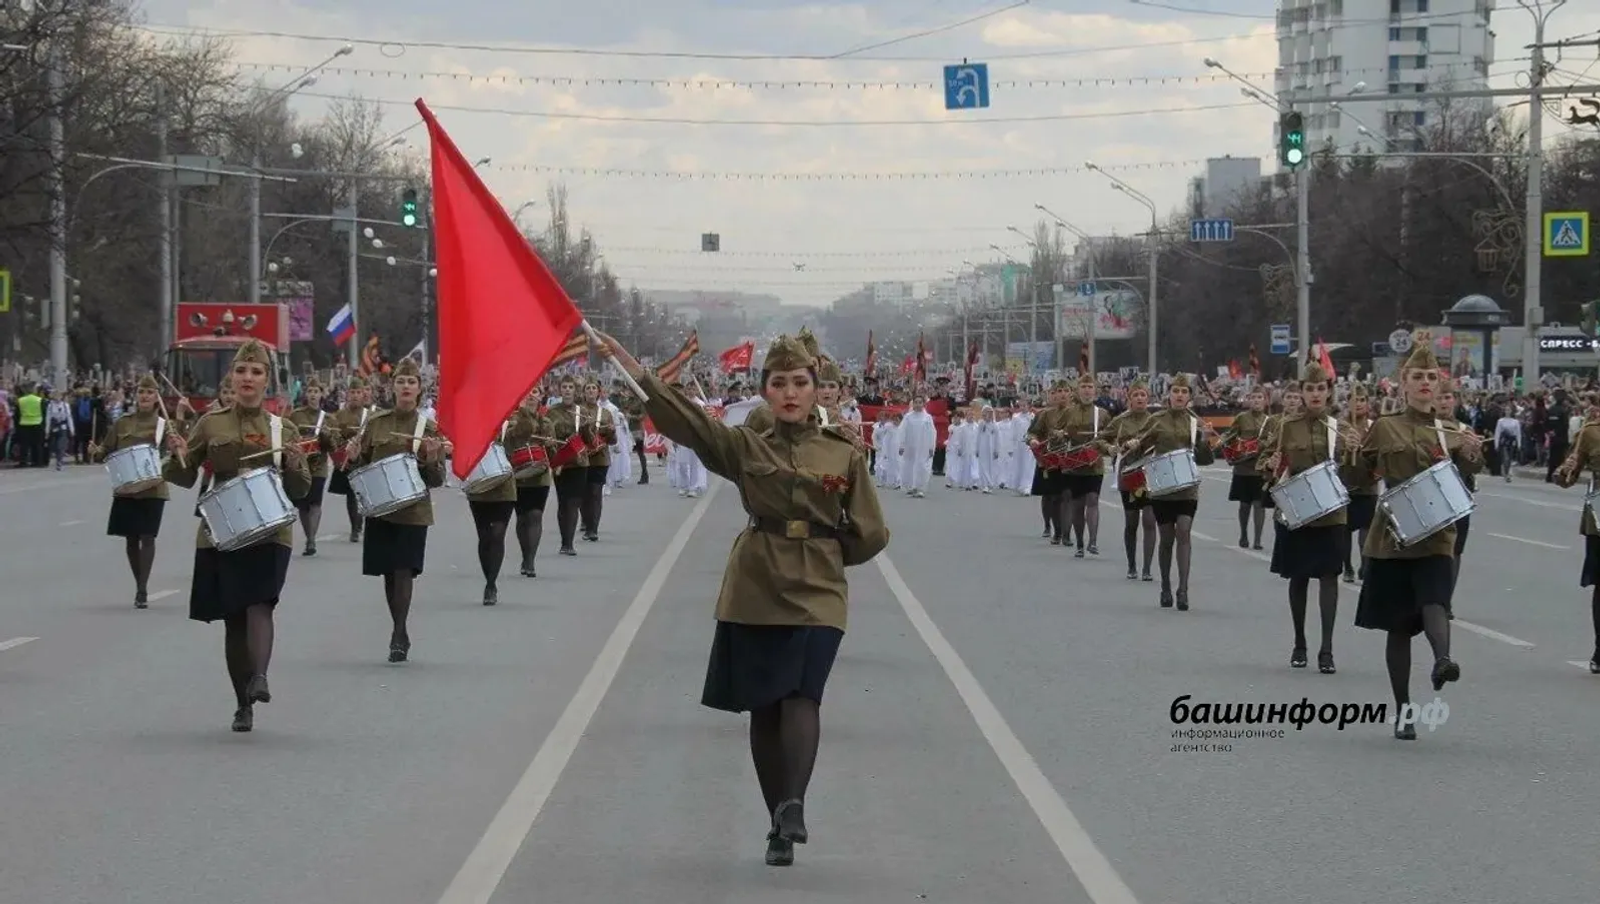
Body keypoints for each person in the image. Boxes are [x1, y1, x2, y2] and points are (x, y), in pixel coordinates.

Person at [594, 329, 889, 868]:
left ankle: (794, 801)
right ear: (766, 393)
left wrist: (826, 552)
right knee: (766, 705)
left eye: (801, 382)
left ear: (815, 387)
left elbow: (871, 530)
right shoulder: (745, 444)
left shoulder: (844, 450)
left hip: (820, 587)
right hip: (757, 582)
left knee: (803, 693)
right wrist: (633, 370)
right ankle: (776, 820)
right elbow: (689, 423)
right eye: (780, 384)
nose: (792, 392)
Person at [163, 340, 312, 732]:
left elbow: (299, 489)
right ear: (232, 377)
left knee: (261, 603)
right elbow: (184, 475)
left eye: (256, 372)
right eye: (242, 371)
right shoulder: (211, 423)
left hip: (270, 531)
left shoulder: (284, 428)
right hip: (222, 532)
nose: (248, 378)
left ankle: (260, 676)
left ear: (267, 380)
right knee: (234, 620)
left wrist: (297, 466)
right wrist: (174, 452)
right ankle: (241, 703)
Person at [1351, 331, 1482, 740]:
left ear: (1439, 384)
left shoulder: (1452, 432)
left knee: (1435, 599)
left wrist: (1473, 455)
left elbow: (1466, 479)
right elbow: (1356, 479)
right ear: (1404, 383)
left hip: (1437, 534)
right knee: (1399, 626)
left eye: (1431, 376)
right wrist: (1353, 452)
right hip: (1391, 536)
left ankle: (1443, 659)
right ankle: (1403, 709)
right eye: (1417, 376)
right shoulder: (1384, 428)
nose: (1425, 382)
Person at [345, 357, 449, 662]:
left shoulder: (428, 427)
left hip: (414, 510)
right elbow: (359, 467)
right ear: (392, 387)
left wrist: (430, 459)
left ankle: (399, 632)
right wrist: (351, 458)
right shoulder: (376, 424)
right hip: (381, 508)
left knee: (404, 570)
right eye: (401, 381)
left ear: (420, 389)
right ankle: (397, 624)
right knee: (389, 573)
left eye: (411, 382)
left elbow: (438, 478)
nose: (405, 387)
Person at [1262, 363, 1346, 673]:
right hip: (1295, 510)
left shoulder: (1340, 428)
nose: (1315, 394)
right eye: (1309, 389)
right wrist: (1269, 464)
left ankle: (1327, 648)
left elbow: (1358, 471)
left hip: (1332, 513)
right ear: (1302, 392)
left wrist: (1352, 457)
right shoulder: (1285, 426)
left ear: (1328, 391)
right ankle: (1299, 642)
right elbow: (1266, 459)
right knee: (1298, 578)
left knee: (1329, 576)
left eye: (1320, 388)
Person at [1122, 374, 1218, 609]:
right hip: (1162, 488)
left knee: (1183, 532)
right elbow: (1137, 453)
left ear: (1189, 397)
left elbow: (1205, 460)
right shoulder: (1156, 420)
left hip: (1187, 488)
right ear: (1169, 395)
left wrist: (1205, 441)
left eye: (1184, 392)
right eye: (1176, 391)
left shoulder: (1196, 422)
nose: (1179, 395)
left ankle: (1183, 589)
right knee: (1166, 538)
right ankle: (1165, 585)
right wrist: (1133, 446)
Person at [90, 374, 173, 607]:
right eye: (141, 392)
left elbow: (171, 456)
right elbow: (106, 449)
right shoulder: (122, 423)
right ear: (136, 396)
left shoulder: (164, 425)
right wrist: (96, 452)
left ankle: (142, 589)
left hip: (152, 488)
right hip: (126, 488)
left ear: (157, 398)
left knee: (147, 536)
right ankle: (139, 582)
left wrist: (170, 457)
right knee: (130, 539)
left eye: (149, 392)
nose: (144, 396)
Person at [1556, 393, 1600, 672]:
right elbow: (1567, 476)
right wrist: (1565, 471)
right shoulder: (1591, 433)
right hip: (1598, 517)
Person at [1097, 378, 1156, 580]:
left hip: (1150, 473)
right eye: (1136, 395)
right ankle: (1132, 564)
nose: (1140, 398)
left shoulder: (1156, 420)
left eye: (1143, 395)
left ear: (1148, 398)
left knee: (1150, 519)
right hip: (1129, 474)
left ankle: (1147, 568)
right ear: (1129, 399)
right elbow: (1100, 440)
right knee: (1132, 521)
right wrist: (1111, 449)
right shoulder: (1120, 420)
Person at [464, 416, 518, 605]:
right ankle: (488, 575)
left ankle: (491, 584)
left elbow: (523, 435)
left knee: (497, 534)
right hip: (479, 489)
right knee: (485, 536)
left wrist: (525, 411)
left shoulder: (509, 426)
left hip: (504, 489)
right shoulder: (470, 425)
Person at [505, 388, 555, 578]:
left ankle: (530, 560)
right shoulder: (512, 421)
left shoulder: (547, 422)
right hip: (518, 475)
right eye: (527, 392)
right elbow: (507, 447)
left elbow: (553, 455)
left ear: (541, 396)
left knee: (535, 515)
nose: (531, 396)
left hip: (540, 476)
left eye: (535, 392)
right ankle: (525, 553)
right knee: (522, 517)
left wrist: (550, 446)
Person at [287, 377, 335, 556]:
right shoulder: (296, 415)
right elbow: (288, 437)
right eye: (310, 391)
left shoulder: (328, 418)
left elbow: (333, 446)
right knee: (303, 505)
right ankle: (309, 536)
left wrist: (327, 437)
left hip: (319, 466)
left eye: (316, 391)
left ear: (322, 395)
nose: (313, 395)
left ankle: (311, 540)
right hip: (301, 465)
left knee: (315, 503)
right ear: (306, 394)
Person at [325, 376, 374, 543]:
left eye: (358, 392)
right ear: (347, 394)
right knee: (352, 494)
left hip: (365, 459)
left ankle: (362, 523)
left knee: (365, 494)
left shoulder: (370, 415)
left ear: (363, 394)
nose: (355, 395)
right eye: (352, 392)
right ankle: (354, 527)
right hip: (346, 459)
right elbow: (333, 438)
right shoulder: (338, 416)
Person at [1338, 386, 1378, 583]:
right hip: (1345, 485)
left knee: (1367, 529)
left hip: (1368, 486)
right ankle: (1347, 567)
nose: (1359, 404)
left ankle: (1365, 565)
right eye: (1355, 400)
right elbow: (1335, 453)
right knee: (1345, 530)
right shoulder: (1340, 426)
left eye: (1363, 400)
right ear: (1349, 403)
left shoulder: (1373, 427)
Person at [1222, 387, 1269, 550]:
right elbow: (1230, 436)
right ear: (1249, 400)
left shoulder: (1268, 421)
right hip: (1243, 468)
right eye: (1254, 397)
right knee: (1244, 505)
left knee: (1259, 504)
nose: (1256, 400)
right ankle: (1243, 534)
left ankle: (1257, 539)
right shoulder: (1241, 418)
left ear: (1265, 400)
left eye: (1260, 397)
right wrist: (1226, 444)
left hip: (1260, 469)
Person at [578, 380, 618, 541]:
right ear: (583, 392)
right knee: (582, 494)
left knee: (595, 493)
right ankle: (586, 521)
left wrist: (611, 432)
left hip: (600, 459)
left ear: (599, 392)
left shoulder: (606, 413)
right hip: (581, 458)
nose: (591, 391)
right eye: (588, 388)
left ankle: (593, 528)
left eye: (594, 388)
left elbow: (613, 440)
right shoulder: (577, 411)